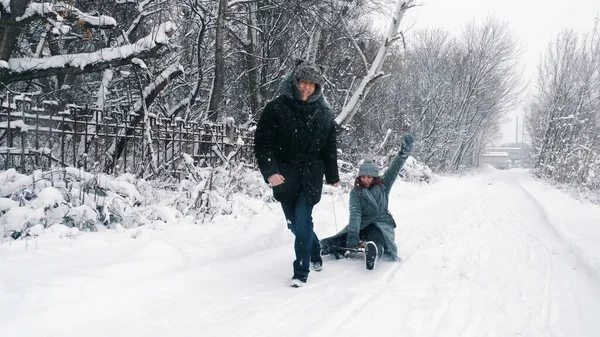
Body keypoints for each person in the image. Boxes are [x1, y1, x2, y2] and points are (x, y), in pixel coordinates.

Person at [254, 59, 340, 287]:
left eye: (312, 84)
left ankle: (301, 271)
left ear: (317, 87)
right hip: (285, 176)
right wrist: (270, 172)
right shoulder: (276, 108)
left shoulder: (324, 114)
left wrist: (333, 176)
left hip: (311, 176)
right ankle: (314, 248)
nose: (306, 87)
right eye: (303, 81)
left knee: (302, 220)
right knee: (294, 224)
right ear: (295, 81)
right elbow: (263, 144)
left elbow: (329, 147)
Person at [320, 133, 414, 270]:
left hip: (380, 224)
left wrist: (402, 154)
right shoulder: (356, 192)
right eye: (363, 177)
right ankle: (323, 246)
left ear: (375, 177)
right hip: (362, 224)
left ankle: (374, 253)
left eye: (369, 177)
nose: (365, 180)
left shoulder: (384, 185)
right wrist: (352, 236)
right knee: (344, 237)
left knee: (376, 239)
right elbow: (355, 215)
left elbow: (393, 170)